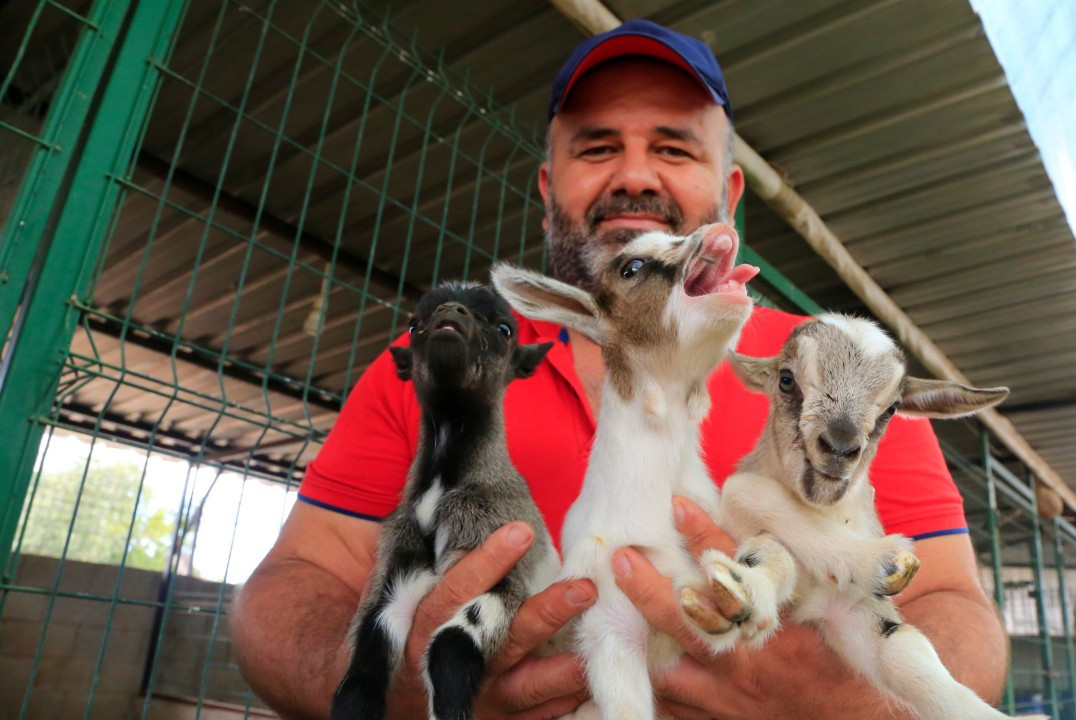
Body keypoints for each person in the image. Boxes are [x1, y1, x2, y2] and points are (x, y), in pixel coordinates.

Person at [230, 19, 1009, 720]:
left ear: (728, 194)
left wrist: (852, 702)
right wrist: (383, 679)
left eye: (673, 148)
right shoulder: (445, 363)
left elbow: (954, 609)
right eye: (598, 147)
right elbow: (288, 588)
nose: (635, 176)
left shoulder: (831, 372)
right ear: (548, 189)